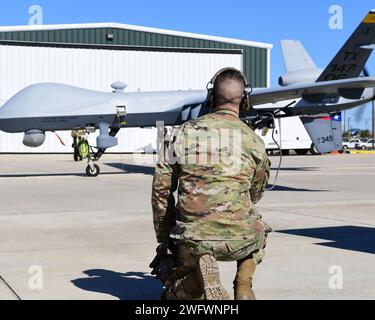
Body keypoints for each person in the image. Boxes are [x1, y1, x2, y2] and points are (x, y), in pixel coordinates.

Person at [151, 68, 271, 300]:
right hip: (241, 240)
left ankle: (195, 281)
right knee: (259, 232)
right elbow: (255, 193)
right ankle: (244, 286)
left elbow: (161, 191)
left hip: (192, 240)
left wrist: (165, 240)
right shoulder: (254, 140)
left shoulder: (180, 134)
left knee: (172, 295)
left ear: (210, 97)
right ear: (244, 100)